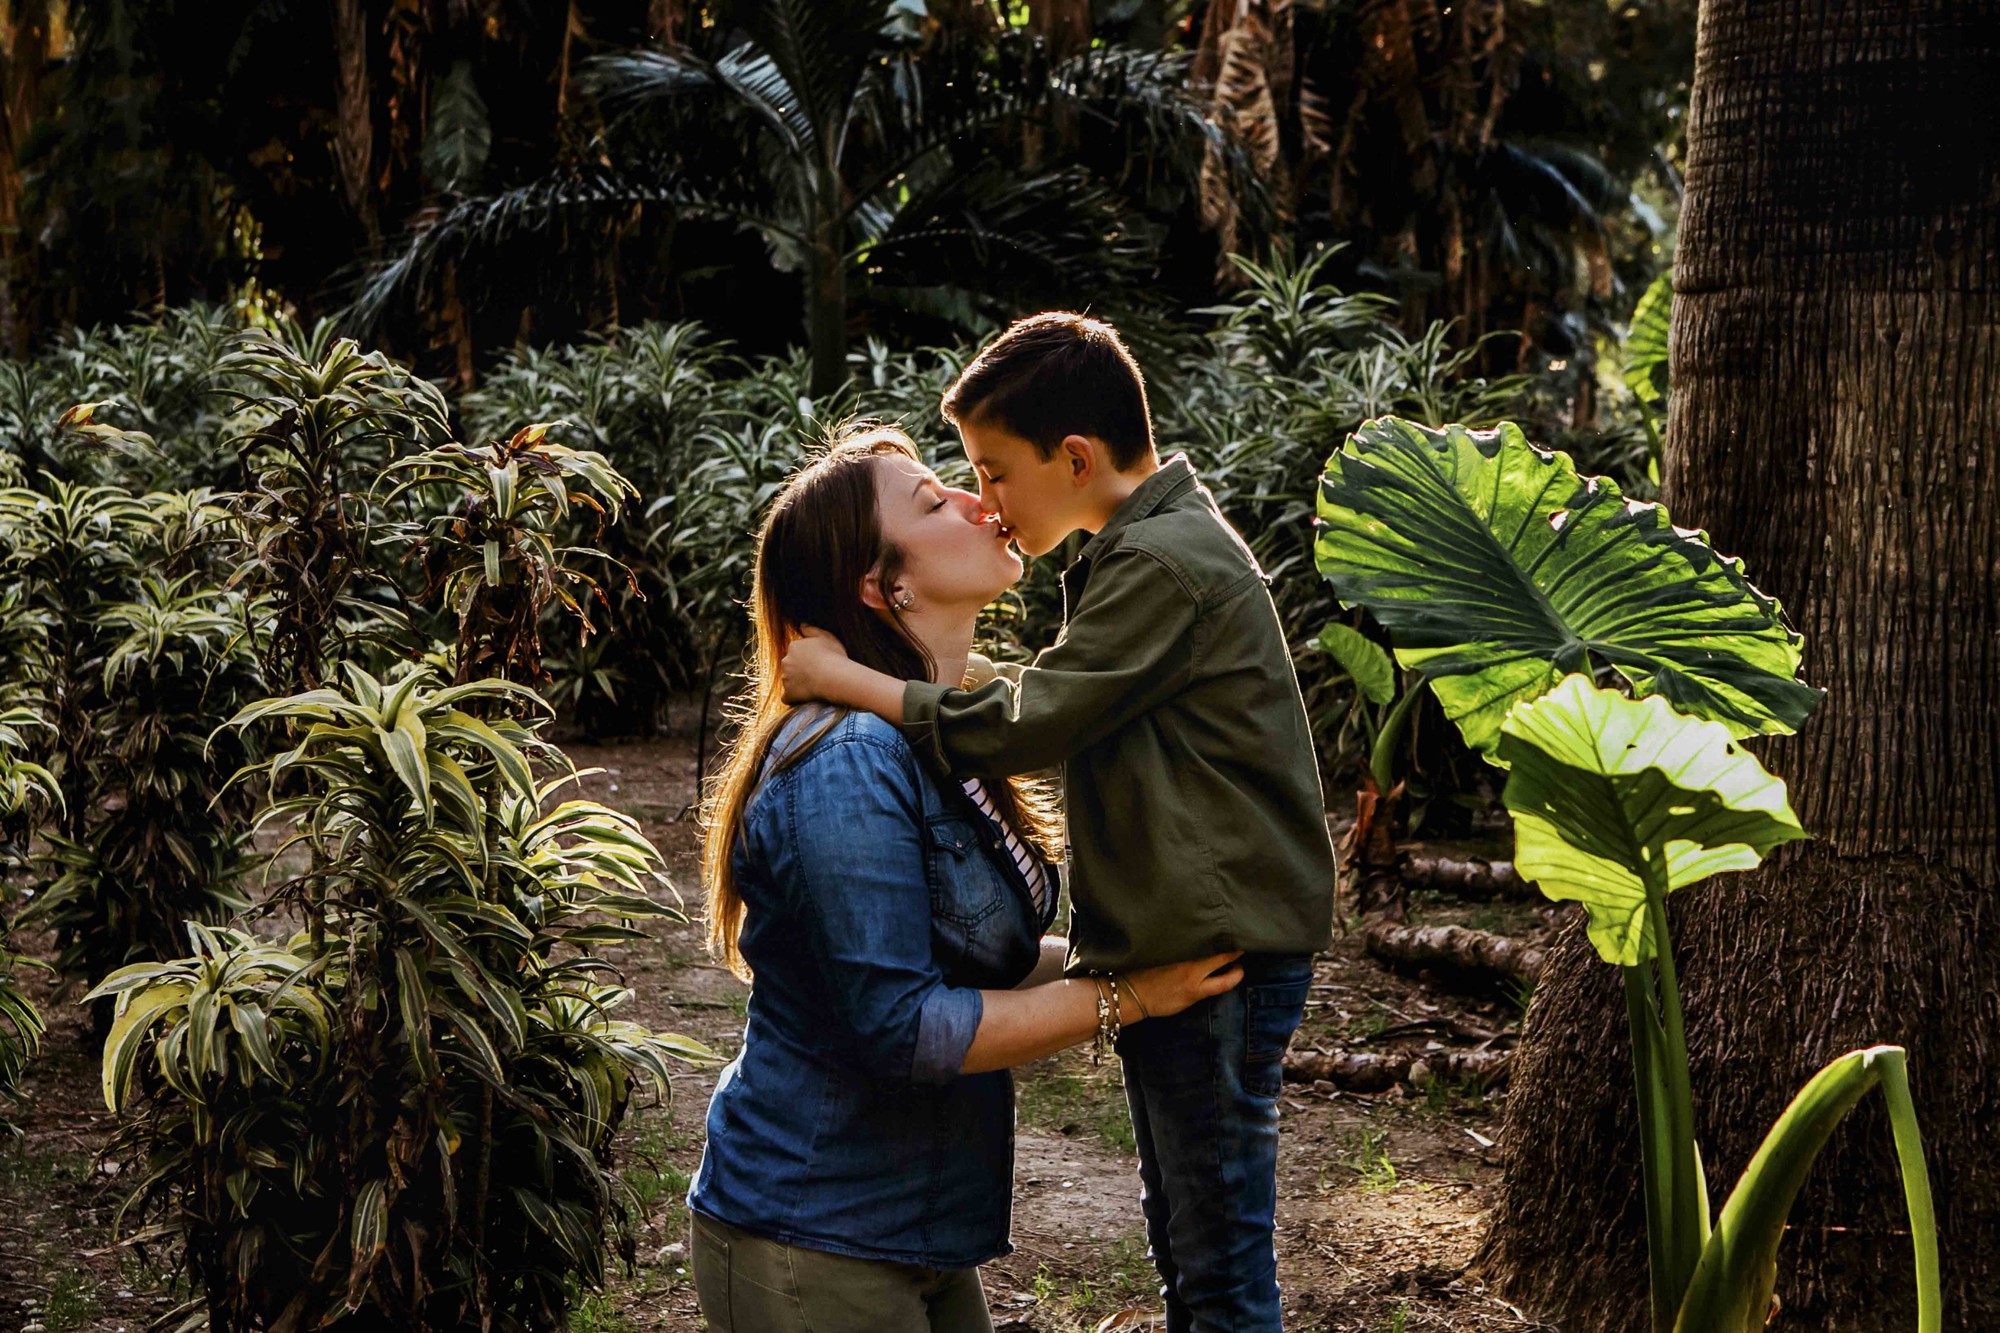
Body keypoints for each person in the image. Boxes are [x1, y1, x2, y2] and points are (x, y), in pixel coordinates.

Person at [781, 314, 1339, 1333]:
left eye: (992, 471)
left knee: (1215, 1269)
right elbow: (1068, 693)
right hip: (1199, 946)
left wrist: (850, 678)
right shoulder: (1150, 549)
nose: (983, 501)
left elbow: (1037, 720)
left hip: (1217, 960)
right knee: (1186, 1241)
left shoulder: (1160, 563)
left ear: (1073, 458)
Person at [686, 424, 1244, 1333]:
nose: (980, 502)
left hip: (908, 1229)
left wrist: (1147, 948)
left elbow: (979, 949)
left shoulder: (936, 730)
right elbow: (905, 1026)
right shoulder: (851, 759)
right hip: (815, 1233)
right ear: (884, 585)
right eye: (934, 500)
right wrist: (1128, 995)